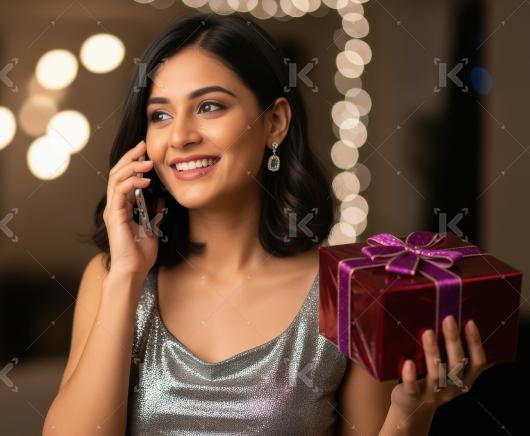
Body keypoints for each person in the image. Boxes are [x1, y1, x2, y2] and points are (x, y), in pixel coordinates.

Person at [42, 12, 492, 436]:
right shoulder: (111, 277)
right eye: (160, 114)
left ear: (274, 122)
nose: (179, 136)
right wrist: (126, 274)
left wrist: (409, 416)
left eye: (210, 107)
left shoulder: (346, 290)